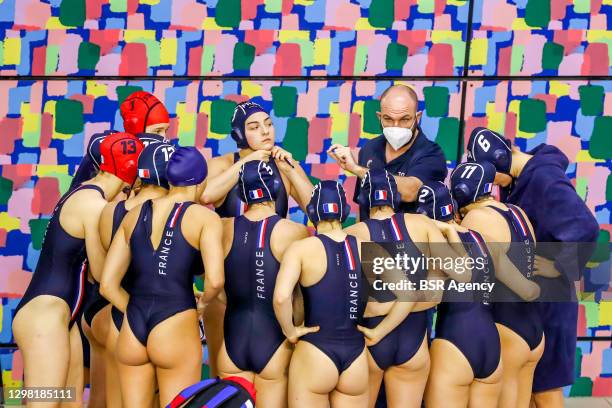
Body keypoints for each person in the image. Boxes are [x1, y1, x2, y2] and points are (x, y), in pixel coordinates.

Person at [466, 127, 599, 407]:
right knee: (529, 387)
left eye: (491, 177)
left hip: (551, 301)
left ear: (501, 159)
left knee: (544, 389)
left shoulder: (544, 179)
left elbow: (585, 226)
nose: (491, 185)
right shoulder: (524, 179)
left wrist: (556, 266)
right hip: (534, 300)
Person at [12, 132, 144, 408]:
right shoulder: (93, 206)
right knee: (43, 404)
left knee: (69, 403)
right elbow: (97, 272)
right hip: (44, 316)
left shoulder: (85, 192)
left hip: (63, 316)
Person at [100, 147, 225, 407]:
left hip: (132, 328)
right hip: (175, 323)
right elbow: (215, 281)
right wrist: (200, 308)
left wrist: (135, 309)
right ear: (200, 181)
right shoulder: (205, 218)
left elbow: (107, 285)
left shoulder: (134, 214)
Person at [274, 181, 413, 408]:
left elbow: (281, 298)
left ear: (311, 212)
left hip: (315, 352)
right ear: (345, 212)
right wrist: (378, 332)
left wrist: (290, 331)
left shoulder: (301, 249)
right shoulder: (367, 246)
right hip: (356, 356)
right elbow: (408, 293)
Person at [201, 100, 313, 376]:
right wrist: (245, 163)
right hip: (228, 288)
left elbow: (315, 207)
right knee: (223, 376)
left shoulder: (283, 163)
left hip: (272, 284)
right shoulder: (222, 164)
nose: (265, 131)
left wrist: (289, 169)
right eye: (254, 127)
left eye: (268, 124)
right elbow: (205, 195)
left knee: (275, 373)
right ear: (239, 134)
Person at [343, 170, 468, 408]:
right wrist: (451, 231)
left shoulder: (352, 235)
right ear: (395, 197)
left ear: (363, 200)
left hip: (370, 340)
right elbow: (463, 274)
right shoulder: (421, 224)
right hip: (414, 342)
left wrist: (384, 307)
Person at [450, 161, 543, 408]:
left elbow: (468, 274)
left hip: (506, 326)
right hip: (533, 326)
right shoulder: (516, 211)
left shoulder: (476, 218)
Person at [217, 160, 308, 407]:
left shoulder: (223, 228)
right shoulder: (294, 231)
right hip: (275, 341)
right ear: (276, 190)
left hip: (232, 342)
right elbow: (296, 293)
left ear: (240, 193)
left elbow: (218, 289)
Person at [98, 142, 175, 407]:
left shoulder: (112, 210)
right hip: (163, 319)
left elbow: (105, 281)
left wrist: (133, 314)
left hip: (119, 321)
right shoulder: (174, 214)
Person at [417, 181, 502, 407]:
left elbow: (429, 298)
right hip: (491, 343)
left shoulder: (436, 246)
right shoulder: (481, 238)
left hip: (455, 343)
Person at [328, 84, 447, 221]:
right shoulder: (370, 148)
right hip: (370, 239)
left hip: (409, 240)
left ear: (417, 117)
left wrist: (356, 168)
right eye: (388, 119)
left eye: (404, 119)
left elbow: (411, 191)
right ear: (379, 117)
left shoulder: (432, 154)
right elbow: (363, 206)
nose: (395, 126)